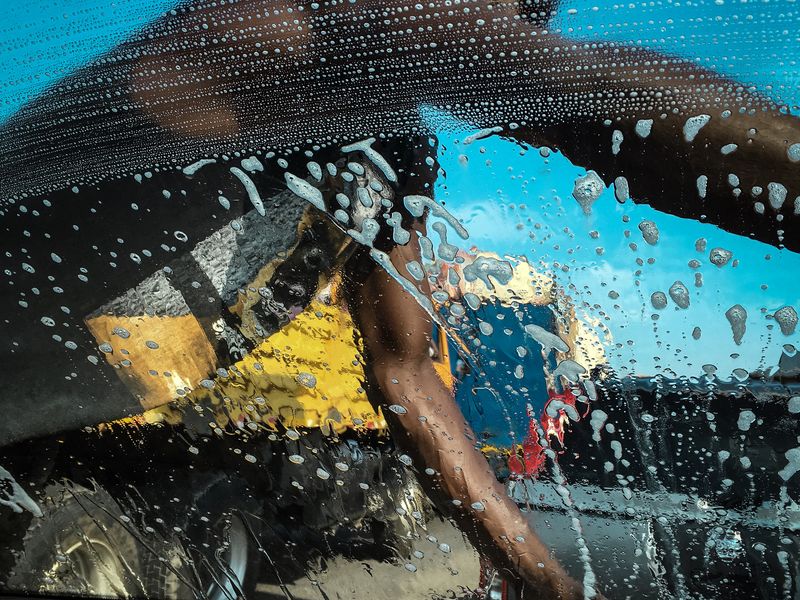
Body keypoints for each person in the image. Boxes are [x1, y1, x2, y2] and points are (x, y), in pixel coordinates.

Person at [1, 1, 799, 598]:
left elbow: (406, 375)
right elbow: (563, 84)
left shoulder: (392, 159)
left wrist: (545, 582)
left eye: (537, 13)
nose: (524, 24)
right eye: (518, 9)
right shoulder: (277, 28)